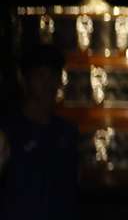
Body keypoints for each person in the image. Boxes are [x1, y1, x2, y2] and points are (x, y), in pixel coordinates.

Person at [0, 43, 79, 220]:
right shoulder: (8, 132)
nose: (48, 83)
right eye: (41, 75)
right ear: (24, 78)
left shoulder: (67, 133)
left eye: (53, 76)